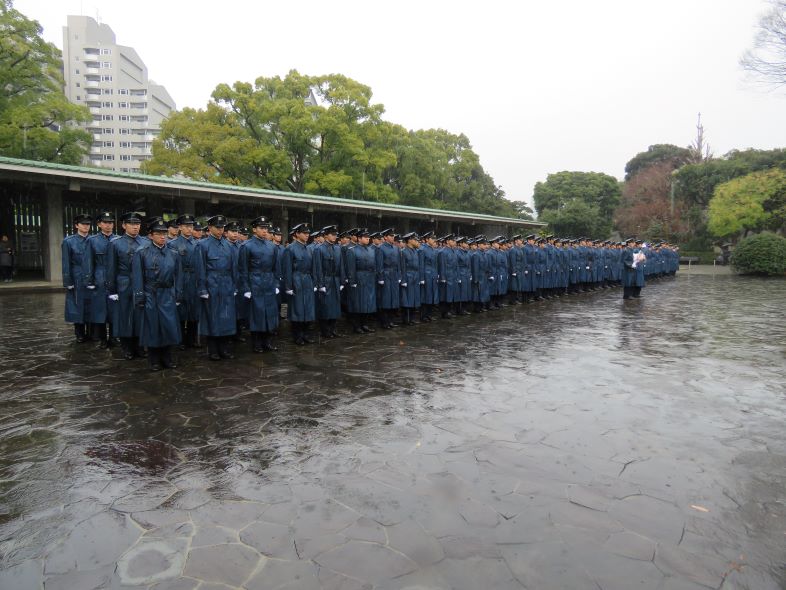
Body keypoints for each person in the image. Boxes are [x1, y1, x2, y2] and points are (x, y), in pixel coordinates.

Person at [133, 218, 183, 371]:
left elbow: (178, 276)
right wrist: (140, 296)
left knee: (169, 326)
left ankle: (167, 358)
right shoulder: (142, 252)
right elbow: (138, 277)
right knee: (152, 327)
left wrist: (178, 294)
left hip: (167, 294)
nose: (162, 236)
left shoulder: (173, 253)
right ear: (150, 235)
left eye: (164, 233)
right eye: (158, 233)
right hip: (151, 294)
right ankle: (154, 359)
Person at [195, 215, 238, 360]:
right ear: (210, 228)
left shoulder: (228, 245)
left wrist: (234, 286)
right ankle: (213, 350)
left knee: (226, 317)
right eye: (217, 227)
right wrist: (202, 288)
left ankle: (224, 349)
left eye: (222, 227)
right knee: (212, 318)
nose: (220, 230)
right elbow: (200, 268)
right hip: (211, 284)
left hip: (226, 284)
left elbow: (234, 268)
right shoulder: (203, 245)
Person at [107, 212, 148, 359]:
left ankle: (140, 346)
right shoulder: (115, 243)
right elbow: (111, 268)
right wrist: (112, 289)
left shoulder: (145, 242)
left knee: (140, 315)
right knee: (125, 316)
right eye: (131, 224)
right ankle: (127, 348)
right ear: (124, 225)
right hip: (124, 282)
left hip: (142, 283)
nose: (135, 227)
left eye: (137, 224)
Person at [238, 216, 281, 352]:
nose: (264, 231)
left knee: (270, 313)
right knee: (257, 314)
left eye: (266, 228)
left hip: (269, 282)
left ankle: (267, 341)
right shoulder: (247, 246)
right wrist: (246, 288)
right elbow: (243, 269)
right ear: (254, 229)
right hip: (255, 282)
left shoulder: (272, 246)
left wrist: (276, 284)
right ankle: (256, 343)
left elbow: (276, 268)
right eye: (261, 228)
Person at [84, 211, 117, 348]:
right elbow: (88, 262)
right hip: (99, 276)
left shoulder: (118, 239)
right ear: (99, 224)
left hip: (115, 277)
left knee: (115, 309)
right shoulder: (92, 240)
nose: (108, 225)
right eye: (105, 222)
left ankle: (114, 337)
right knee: (100, 310)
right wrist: (89, 280)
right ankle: (102, 338)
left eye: (110, 222)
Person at [167, 214, 199, 349]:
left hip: (194, 279)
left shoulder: (198, 244)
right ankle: (180, 339)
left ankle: (192, 339)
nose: (189, 229)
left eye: (191, 226)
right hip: (179, 279)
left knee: (194, 310)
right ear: (179, 227)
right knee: (179, 311)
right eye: (186, 226)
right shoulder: (172, 244)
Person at [282, 223, 316, 345]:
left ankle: (305, 334)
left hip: (307, 280)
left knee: (308, 309)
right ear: (297, 234)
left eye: (308, 233)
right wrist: (288, 286)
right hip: (296, 279)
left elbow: (312, 267)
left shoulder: (308, 248)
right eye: (304, 233)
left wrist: (314, 282)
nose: (307, 235)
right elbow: (287, 269)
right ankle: (297, 336)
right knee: (297, 310)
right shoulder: (290, 249)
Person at [62, 213, 92, 343]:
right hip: (77, 276)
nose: (86, 226)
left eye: (88, 224)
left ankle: (91, 332)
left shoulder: (93, 240)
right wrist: (68, 280)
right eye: (83, 224)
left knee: (91, 305)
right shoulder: (69, 241)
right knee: (77, 305)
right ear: (76, 225)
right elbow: (66, 262)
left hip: (91, 276)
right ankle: (79, 333)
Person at [314, 225, 344, 339]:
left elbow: (341, 266)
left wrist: (342, 281)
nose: (334, 237)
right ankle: (325, 330)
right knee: (325, 307)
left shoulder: (337, 248)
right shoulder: (319, 249)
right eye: (332, 234)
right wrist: (320, 284)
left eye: (335, 235)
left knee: (335, 307)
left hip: (335, 280)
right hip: (326, 280)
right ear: (326, 235)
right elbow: (318, 268)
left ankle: (333, 329)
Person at [345, 228, 377, 333]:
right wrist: (352, 281)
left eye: (368, 237)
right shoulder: (352, 250)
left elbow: (374, 265)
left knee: (368, 302)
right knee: (358, 303)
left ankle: (364, 324)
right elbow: (350, 268)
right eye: (365, 237)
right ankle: (356, 325)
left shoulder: (371, 250)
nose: (368, 239)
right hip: (358, 278)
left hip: (369, 278)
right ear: (359, 238)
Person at [375, 228, 402, 329]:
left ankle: (391, 320)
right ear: (385, 237)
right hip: (385, 274)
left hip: (394, 275)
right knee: (385, 299)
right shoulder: (380, 248)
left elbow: (398, 264)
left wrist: (399, 275)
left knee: (393, 299)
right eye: (391, 236)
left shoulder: (396, 248)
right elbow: (379, 264)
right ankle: (384, 322)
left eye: (393, 235)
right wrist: (380, 277)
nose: (393, 237)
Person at [399, 232, 421, 325]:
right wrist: (403, 280)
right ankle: (406, 319)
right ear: (409, 240)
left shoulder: (415, 251)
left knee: (414, 298)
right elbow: (402, 267)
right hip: (407, 276)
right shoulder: (403, 252)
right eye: (415, 240)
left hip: (415, 276)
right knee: (407, 299)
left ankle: (411, 318)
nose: (416, 241)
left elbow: (417, 266)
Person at [418, 231, 439, 321]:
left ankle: (429, 314)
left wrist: (437, 274)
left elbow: (436, 264)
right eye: (432, 238)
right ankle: (423, 315)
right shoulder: (422, 249)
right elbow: (421, 264)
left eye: (434, 238)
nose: (434, 240)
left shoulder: (433, 249)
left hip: (433, 274)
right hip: (426, 275)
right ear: (427, 239)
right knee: (425, 296)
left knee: (432, 295)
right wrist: (422, 278)